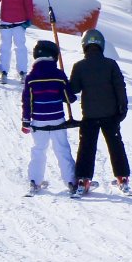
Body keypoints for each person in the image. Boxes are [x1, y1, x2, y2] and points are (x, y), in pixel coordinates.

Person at [69, 28, 131, 194]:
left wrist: (65, 84)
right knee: (115, 145)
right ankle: (122, 178)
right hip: (110, 115)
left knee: (87, 147)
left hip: (89, 115)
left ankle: (83, 180)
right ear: (101, 45)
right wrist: (122, 108)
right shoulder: (111, 64)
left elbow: (73, 90)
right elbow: (120, 87)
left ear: (84, 46)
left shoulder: (79, 66)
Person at [22, 39, 78, 196]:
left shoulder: (30, 77)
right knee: (62, 148)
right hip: (57, 119)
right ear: (54, 56)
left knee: (39, 149)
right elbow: (70, 98)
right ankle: (71, 182)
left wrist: (26, 121)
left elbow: (27, 101)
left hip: (38, 121)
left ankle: (34, 181)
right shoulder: (59, 75)